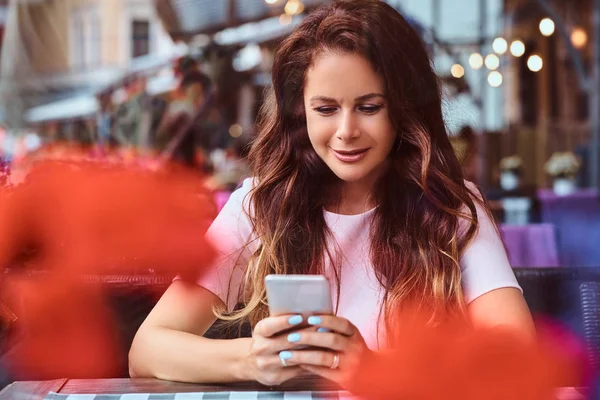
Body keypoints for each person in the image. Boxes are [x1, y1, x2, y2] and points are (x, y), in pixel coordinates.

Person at [129, 0, 534, 389]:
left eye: (369, 107)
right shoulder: (258, 206)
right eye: (325, 109)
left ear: (403, 108)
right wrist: (251, 359)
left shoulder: (453, 206)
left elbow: (518, 352)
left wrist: (377, 366)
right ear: (299, 113)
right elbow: (147, 349)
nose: (346, 131)